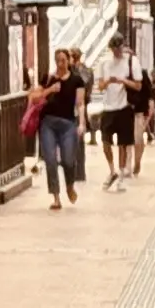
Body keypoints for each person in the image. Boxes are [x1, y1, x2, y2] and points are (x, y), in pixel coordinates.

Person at [32, 48, 89, 207]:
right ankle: (56, 198)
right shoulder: (48, 78)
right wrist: (50, 89)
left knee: (68, 160)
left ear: (69, 61)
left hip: (68, 124)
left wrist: (82, 123)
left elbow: (80, 103)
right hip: (48, 123)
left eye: (63, 60)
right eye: (57, 60)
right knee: (50, 160)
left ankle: (70, 186)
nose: (60, 63)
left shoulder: (77, 80)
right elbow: (34, 97)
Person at [89, 40, 137, 188]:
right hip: (108, 108)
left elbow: (137, 85)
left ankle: (121, 174)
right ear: (111, 48)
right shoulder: (104, 63)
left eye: (120, 47)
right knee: (106, 142)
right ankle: (112, 170)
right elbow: (100, 87)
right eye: (115, 47)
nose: (118, 50)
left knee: (122, 144)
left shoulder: (129, 62)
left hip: (124, 108)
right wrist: (109, 81)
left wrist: (123, 81)